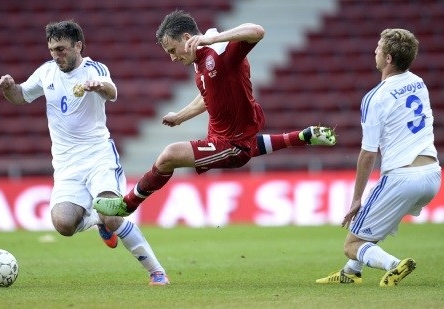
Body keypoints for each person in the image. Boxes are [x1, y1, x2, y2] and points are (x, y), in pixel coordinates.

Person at [93, 10, 336, 218]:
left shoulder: (221, 53)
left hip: (230, 143)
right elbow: (207, 96)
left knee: (169, 156)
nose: (172, 57)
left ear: (188, 38)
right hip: (231, 137)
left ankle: (127, 204)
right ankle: (302, 137)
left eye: (172, 49)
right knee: (245, 144)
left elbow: (257, 31)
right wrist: (180, 116)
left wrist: (216, 37)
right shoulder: (200, 61)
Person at [0, 20, 169, 286]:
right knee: (63, 224)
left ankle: (157, 272)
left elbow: (112, 92)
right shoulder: (46, 72)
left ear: (78, 45)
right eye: (53, 49)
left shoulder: (94, 69)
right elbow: (21, 96)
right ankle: (96, 220)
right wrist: (9, 88)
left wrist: (98, 86)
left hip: (98, 156)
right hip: (66, 165)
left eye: (62, 49)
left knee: (112, 216)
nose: (57, 55)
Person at [316, 28, 441, 286]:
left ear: (388, 59)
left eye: (378, 48)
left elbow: (368, 152)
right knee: (374, 226)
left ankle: (394, 265)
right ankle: (350, 273)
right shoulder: (419, 83)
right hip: (432, 175)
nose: (374, 51)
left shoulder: (376, 97)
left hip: (402, 177)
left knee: (352, 243)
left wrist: (357, 198)